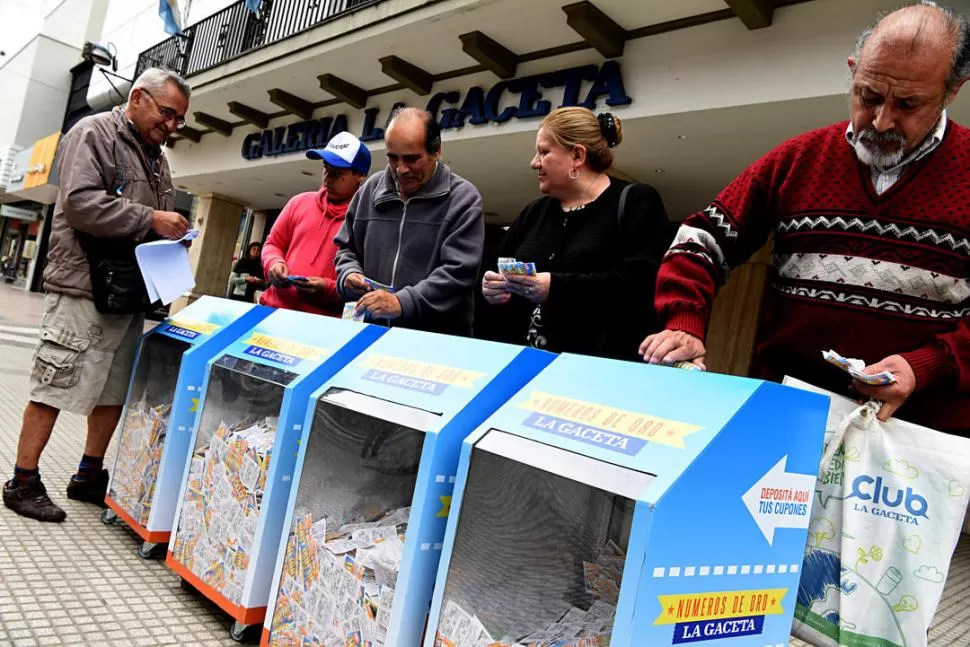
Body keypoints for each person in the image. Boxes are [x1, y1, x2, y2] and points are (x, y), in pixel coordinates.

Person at [641, 1, 970, 433]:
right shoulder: (798, 159)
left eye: (909, 104)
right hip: (787, 413)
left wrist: (927, 365)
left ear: (953, 91)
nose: (882, 120)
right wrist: (685, 322)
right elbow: (701, 240)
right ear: (853, 71)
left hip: (917, 439)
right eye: (868, 95)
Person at [3, 68, 191, 522]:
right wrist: (151, 218)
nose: (171, 127)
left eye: (179, 120)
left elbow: (149, 220)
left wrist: (171, 236)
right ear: (139, 98)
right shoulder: (92, 132)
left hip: (126, 292)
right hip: (82, 286)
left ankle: (89, 474)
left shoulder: (156, 157)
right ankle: (22, 480)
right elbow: (80, 203)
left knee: (113, 391)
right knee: (54, 382)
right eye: (167, 114)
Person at [477, 108, 670, 361]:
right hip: (523, 368)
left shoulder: (636, 202)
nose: (534, 162)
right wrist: (492, 289)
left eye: (544, 152)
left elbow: (640, 286)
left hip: (596, 374)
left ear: (577, 155)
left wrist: (554, 287)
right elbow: (501, 271)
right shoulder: (533, 212)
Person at [334, 107, 484, 335]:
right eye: (393, 158)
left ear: (437, 151)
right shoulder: (369, 191)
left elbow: (458, 273)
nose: (401, 169)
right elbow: (346, 248)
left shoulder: (463, 199)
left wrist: (404, 302)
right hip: (368, 333)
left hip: (434, 342)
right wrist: (348, 273)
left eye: (412, 159)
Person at [260, 132, 371, 316]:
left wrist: (327, 289)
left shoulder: (365, 221)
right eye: (326, 168)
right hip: (270, 311)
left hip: (321, 327)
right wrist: (274, 263)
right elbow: (272, 244)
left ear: (360, 176)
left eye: (338, 173)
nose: (328, 178)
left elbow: (365, 287)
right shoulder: (299, 202)